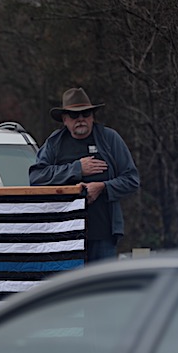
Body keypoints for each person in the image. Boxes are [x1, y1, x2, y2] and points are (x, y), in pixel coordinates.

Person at [29, 87, 140, 261]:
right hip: (63, 235)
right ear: (64, 119)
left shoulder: (109, 139)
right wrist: (76, 169)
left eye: (86, 114)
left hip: (103, 234)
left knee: (104, 286)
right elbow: (36, 177)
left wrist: (102, 187)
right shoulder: (54, 143)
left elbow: (132, 180)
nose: (81, 119)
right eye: (74, 115)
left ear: (92, 116)